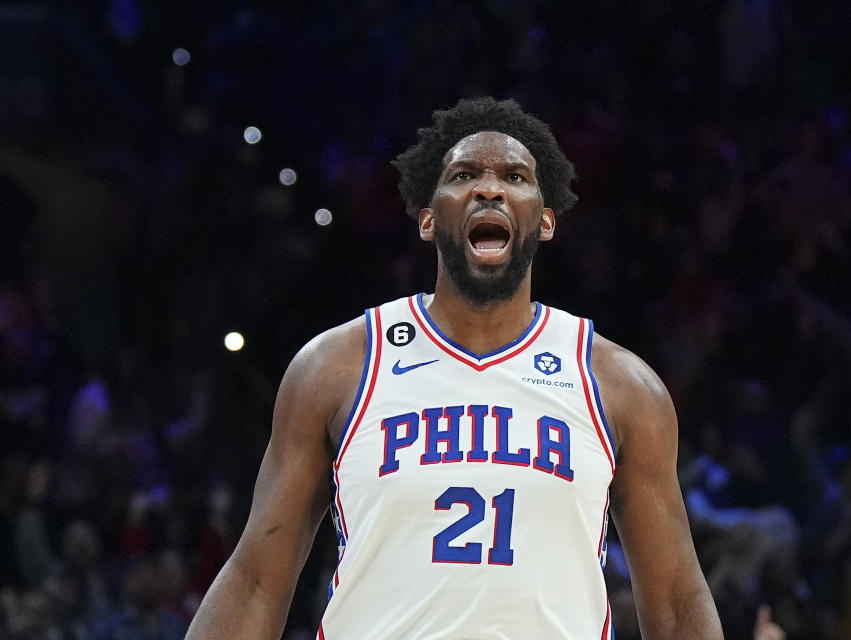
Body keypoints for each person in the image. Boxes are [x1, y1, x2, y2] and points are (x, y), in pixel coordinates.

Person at [185, 97, 722, 639]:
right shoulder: (337, 367)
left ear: (547, 220)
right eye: (464, 174)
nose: (489, 189)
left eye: (515, 176)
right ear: (427, 219)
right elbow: (256, 580)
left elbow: (677, 604)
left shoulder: (618, 384)